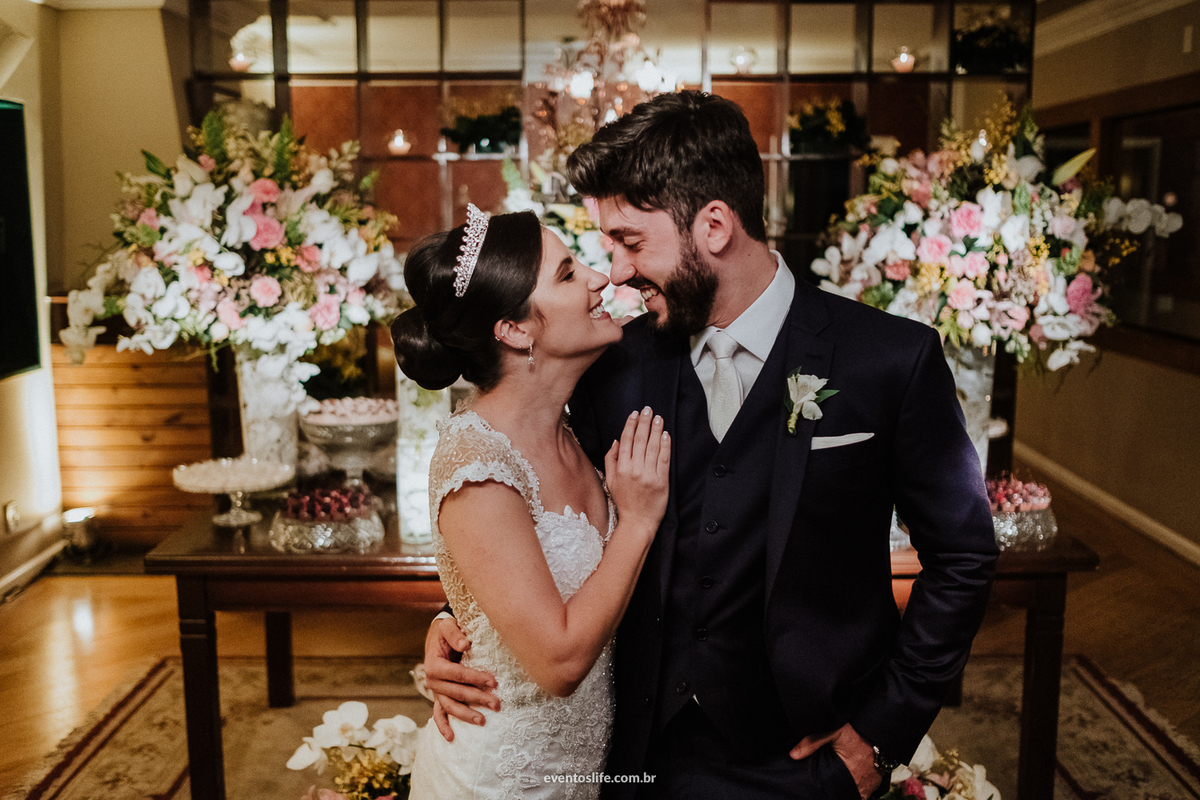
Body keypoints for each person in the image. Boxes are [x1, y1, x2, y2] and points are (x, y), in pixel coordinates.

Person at [423, 91, 999, 800]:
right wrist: (459, 619)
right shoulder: (613, 367)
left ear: (716, 226)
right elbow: (542, 517)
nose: (620, 272)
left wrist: (878, 737)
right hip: (636, 758)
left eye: (631, 242)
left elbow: (964, 556)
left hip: (808, 760)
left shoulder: (890, 361)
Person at [392, 206, 672, 799]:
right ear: (516, 329)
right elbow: (559, 664)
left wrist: (454, 616)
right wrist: (637, 522)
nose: (601, 278)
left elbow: (517, 582)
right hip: (497, 780)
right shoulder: (476, 465)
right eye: (569, 274)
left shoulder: (574, 425)